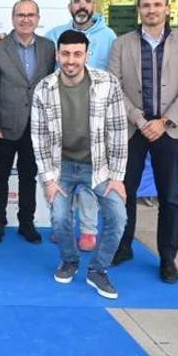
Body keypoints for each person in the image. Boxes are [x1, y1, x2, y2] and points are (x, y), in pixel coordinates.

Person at [109, 0, 178, 284]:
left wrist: (165, 121)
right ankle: (123, 246)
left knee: (169, 196)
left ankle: (167, 258)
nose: (151, 10)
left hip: (171, 130)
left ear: (167, 8)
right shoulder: (122, 44)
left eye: (157, 5)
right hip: (133, 128)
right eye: (146, 5)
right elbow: (114, 86)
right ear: (139, 10)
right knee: (125, 192)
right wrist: (138, 117)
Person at [31, 30, 128, 300]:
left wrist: (118, 177)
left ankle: (98, 270)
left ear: (87, 55)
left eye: (77, 54)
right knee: (60, 218)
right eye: (65, 54)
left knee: (118, 217)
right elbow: (38, 137)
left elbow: (118, 130)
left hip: (99, 168)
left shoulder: (107, 83)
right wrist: (49, 180)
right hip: (60, 167)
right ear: (57, 54)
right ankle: (69, 260)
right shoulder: (44, 88)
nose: (70, 60)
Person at [45, 0, 119, 251]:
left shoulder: (109, 36)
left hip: (95, 119)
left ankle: (88, 231)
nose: (81, 6)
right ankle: (62, 226)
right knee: (61, 176)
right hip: (63, 116)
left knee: (89, 179)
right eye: (76, 1)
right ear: (70, 6)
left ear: (94, 6)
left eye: (87, 1)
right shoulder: (55, 35)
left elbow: (114, 74)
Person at [0, 0, 55, 245]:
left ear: (38, 18)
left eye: (31, 15)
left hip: (36, 127)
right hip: (4, 126)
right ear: (13, 18)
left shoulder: (49, 48)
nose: (26, 19)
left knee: (29, 176)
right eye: (21, 15)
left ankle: (27, 222)